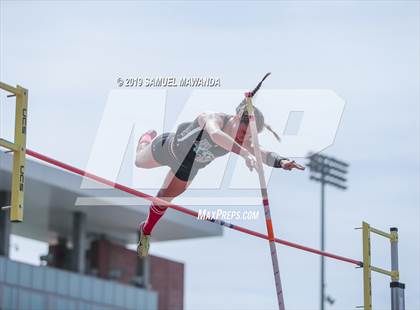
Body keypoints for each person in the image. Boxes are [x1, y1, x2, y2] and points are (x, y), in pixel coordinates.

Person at [134, 99, 304, 257]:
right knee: (138, 162)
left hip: (187, 170)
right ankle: (145, 140)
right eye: (243, 131)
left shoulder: (242, 140)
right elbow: (215, 135)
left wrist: (281, 161)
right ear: (237, 117)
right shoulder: (212, 118)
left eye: (248, 136)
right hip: (167, 149)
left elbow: (261, 153)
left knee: (163, 200)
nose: (243, 138)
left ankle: (146, 230)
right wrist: (244, 153)